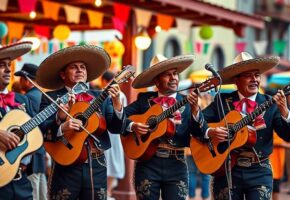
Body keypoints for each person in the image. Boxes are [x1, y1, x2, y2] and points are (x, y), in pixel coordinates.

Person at [200, 52, 290, 199]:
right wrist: (210, 131)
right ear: (236, 80)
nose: (254, 79)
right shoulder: (221, 100)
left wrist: (284, 111)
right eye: (248, 75)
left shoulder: (270, 103)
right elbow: (196, 123)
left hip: (259, 170)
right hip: (226, 169)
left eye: (257, 75)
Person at [36, 45, 126, 200]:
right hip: (65, 164)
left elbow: (117, 128)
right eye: (74, 67)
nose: (80, 70)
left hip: (96, 164)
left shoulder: (100, 97)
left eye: (83, 67)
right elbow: (40, 130)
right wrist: (62, 125)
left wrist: (117, 103)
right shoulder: (51, 97)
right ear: (63, 74)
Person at [124, 54, 209, 200]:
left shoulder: (187, 102)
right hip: (148, 163)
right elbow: (118, 118)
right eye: (167, 75)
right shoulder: (144, 100)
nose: (173, 78)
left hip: (177, 163)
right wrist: (133, 126)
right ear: (156, 80)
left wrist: (196, 111)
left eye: (175, 74)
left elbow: (201, 134)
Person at [0, 41, 35, 199]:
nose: (8, 69)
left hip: (21, 181)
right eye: (1, 65)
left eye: (9, 64)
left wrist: (60, 120)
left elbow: (37, 133)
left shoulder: (22, 100)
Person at [14, 63, 47, 200]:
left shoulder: (29, 98)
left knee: (33, 192)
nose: (19, 82)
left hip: (31, 155)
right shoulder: (41, 95)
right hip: (40, 153)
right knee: (41, 192)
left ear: (27, 80)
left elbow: (30, 128)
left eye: (21, 78)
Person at [101, 71, 126, 200]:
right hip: (111, 134)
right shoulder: (119, 94)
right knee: (110, 162)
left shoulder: (117, 95)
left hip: (112, 134)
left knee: (111, 162)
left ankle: (108, 193)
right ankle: (108, 193)